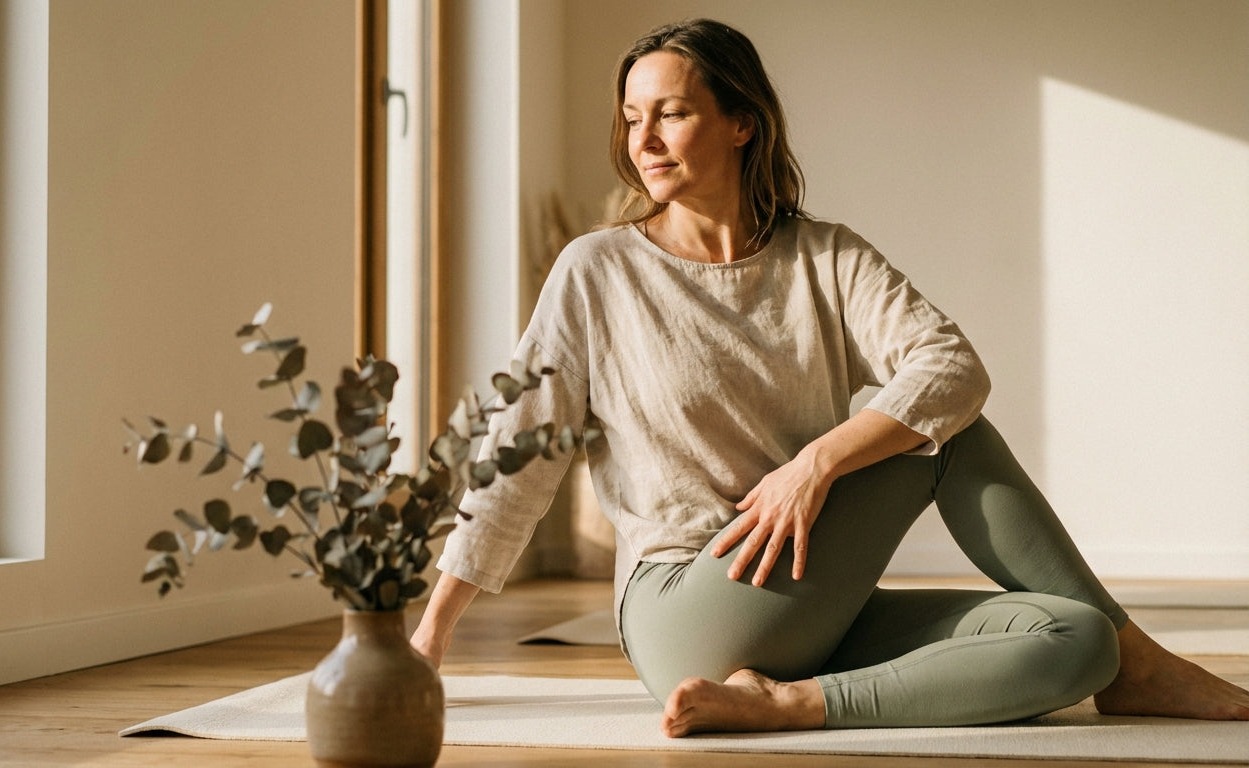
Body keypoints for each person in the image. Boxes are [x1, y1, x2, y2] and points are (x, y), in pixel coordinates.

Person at [410, 18, 1249, 736]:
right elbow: (520, 451)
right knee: (952, 443)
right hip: (686, 604)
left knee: (1074, 638)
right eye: (633, 119)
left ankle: (796, 703)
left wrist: (814, 465)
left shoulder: (824, 256)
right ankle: (1144, 663)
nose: (645, 141)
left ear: (742, 123)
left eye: (671, 113)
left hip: (808, 600)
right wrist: (428, 642)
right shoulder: (598, 269)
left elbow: (951, 365)